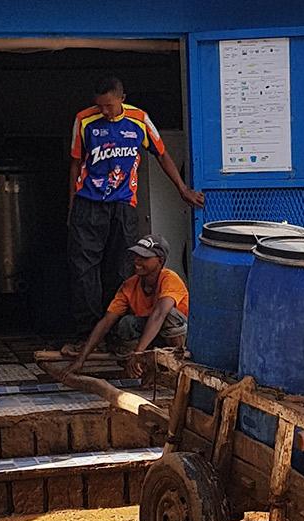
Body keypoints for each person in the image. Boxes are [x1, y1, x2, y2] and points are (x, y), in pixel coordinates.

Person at [65, 76, 204, 351]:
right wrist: (72, 207)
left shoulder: (139, 120)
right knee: (84, 270)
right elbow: (75, 164)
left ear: (121, 98)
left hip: (123, 203)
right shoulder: (84, 120)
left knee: (122, 268)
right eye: (99, 106)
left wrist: (182, 189)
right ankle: (87, 334)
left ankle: (118, 333)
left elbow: (162, 154)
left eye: (108, 105)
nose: (104, 111)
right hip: (88, 204)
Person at [64, 234, 188, 379]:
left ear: (160, 261)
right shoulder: (129, 285)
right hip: (149, 337)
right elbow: (106, 322)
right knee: (126, 324)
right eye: (136, 256)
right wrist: (81, 359)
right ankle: (143, 368)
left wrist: (138, 353)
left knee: (169, 315)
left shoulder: (170, 279)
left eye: (144, 258)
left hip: (178, 337)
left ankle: (176, 367)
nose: (137, 261)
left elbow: (159, 315)